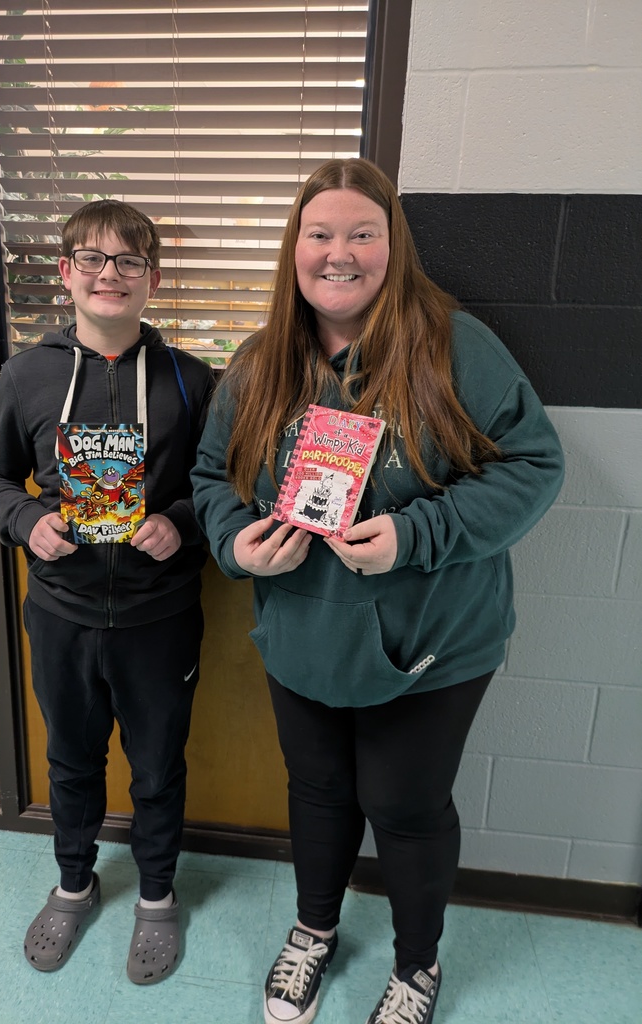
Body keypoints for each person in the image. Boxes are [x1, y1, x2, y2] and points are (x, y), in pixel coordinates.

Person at [192, 159, 564, 1024]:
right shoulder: (259, 361)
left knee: (402, 805)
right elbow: (212, 475)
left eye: (362, 233)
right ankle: (313, 931)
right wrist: (235, 542)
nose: (339, 253)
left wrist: (415, 535)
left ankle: (416, 966)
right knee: (316, 792)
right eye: (318, 234)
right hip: (302, 634)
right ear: (293, 249)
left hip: (428, 642)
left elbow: (535, 466)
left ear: (393, 247)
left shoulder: (452, 345)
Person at [0, 199, 215, 981]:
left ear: (152, 279)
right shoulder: (28, 373)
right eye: (93, 259)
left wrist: (179, 521)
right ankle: (73, 884)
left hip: (160, 616)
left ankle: (155, 900)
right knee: (71, 761)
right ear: (66, 273)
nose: (110, 275)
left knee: (156, 766)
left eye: (129, 261)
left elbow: (221, 489)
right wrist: (25, 522)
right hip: (62, 612)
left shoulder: (191, 378)